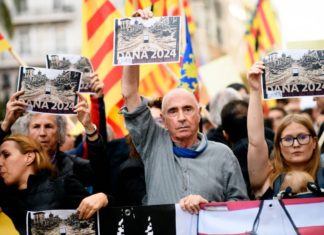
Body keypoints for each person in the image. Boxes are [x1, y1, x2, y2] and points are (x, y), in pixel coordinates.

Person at [121, 9, 248, 214]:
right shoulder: (153, 144)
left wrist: (208, 206)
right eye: (173, 111)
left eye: (187, 109)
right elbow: (129, 94)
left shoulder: (223, 154)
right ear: (162, 118)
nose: (181, 118)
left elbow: (241, 206)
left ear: (199, 113)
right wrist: (136, 35)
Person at [0, 134, 108, 235]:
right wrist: (5, 127)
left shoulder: (63, 185)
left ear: (29, 157)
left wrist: (103, 199)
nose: (0, 162)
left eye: (6, 155)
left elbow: (108, 220)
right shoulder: (6, 199)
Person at [247, 61, 321, 199]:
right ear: (279, 146)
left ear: (314, 142)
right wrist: (255, 90)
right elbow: (255, 142)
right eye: (287, 139)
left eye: (302, 137)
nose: (296, 144)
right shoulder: (267, 180)